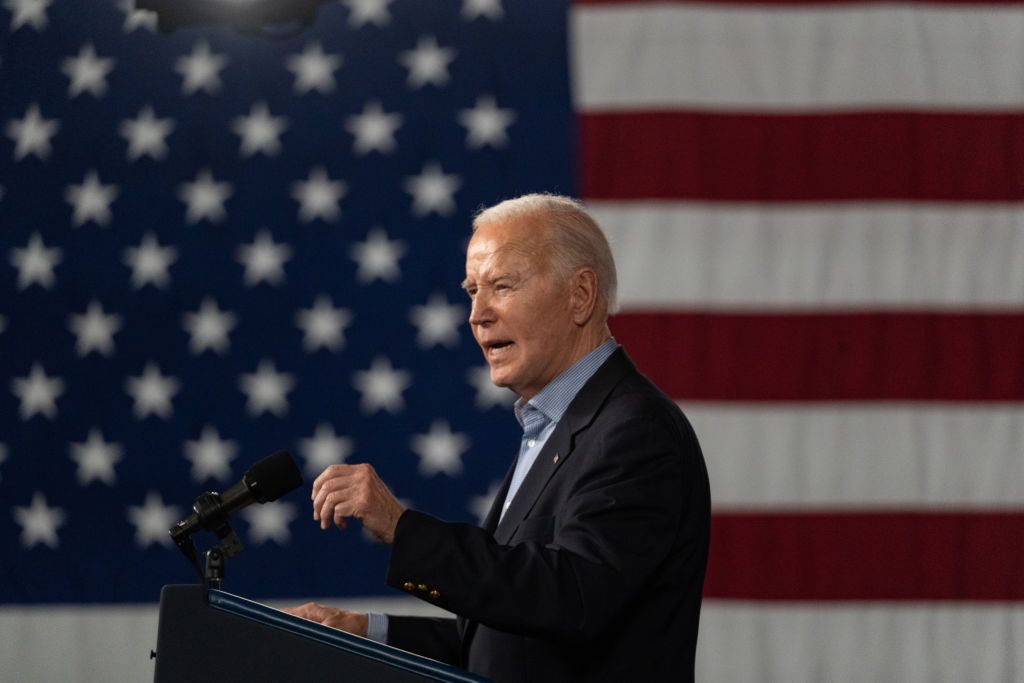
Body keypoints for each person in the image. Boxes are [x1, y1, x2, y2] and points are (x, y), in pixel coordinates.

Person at [284, 194, 710, 682]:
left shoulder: (635, 430)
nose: (477, 314)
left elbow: (572, 598)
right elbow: (512, 646)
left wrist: (403, 529)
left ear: (581, 296)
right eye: (471, 290)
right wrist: (366, 631)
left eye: (502, 286)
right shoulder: (552, 428)